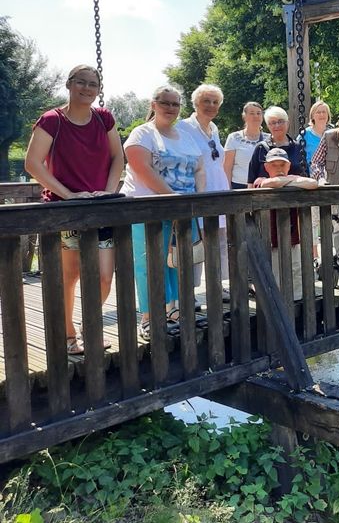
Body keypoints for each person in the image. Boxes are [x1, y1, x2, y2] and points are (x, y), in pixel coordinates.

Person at [24, 64, 125, 355]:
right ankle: (68, 335)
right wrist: (68, 196)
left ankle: (89, 326)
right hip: (64, 210)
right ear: (69, 84)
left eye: (93, 84)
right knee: (70, 276)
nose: (87, 88)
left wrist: (108, 192)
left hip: (99, 209)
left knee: (104, 276)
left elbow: (118, 157)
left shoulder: (104, 118)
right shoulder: (52, 120)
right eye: (81, 82)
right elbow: (32, 164)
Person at [120, 85, 205, 339]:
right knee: (149, 262)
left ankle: (174, 310)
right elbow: (141, 167)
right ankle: (149, 317)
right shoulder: (143, 133)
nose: (170, 108)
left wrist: (199, 196)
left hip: (183, 209)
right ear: (153, 104)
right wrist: (172, 197)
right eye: (165, 102)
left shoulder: (185, 136)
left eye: (175, 104)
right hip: (149, 209)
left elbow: (199, 168)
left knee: (177, 261)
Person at [179, 84, 230, 290]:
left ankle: (217, 286)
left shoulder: (214, 129)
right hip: (197, 192)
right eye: (206, 101)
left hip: (219, 191)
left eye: (215, 102)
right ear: (196, 103)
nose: (211, 105)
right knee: (195, 243)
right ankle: (188, 292)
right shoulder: (184, 128)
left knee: (219, 243)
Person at [252, 148, 318, 292]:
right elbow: (268, 184)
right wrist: (292, 181)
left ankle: (297, 303)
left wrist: (285, 181)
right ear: (266, 167)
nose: (279, 168)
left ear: (289, 166)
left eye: (282, 165)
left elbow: (313, 183)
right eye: (274, 165)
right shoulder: (260, 180)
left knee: (296, 275)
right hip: (269, 243)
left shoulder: (293, 178)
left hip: (292, 240)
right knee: (273, 280)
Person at [247, 106, 305, 182]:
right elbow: (251, 181)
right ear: (268, 126)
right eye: (273, 123)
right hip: (266, 189)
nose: (277, 125)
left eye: (280, 121)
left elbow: (305, 176)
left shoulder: (298, 148)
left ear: (287, 123)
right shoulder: (261, 148)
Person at [224, 101, 269, 189]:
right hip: (238, 187)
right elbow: (227, 167)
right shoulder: (234, 138)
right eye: (252, 113)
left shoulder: (269, 139)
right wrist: (227, 189)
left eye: (258, 113)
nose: (256, 116)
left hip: (262, 186)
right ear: (244, 116)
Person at [304, 100, 331, 169]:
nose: (321, 115)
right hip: (310, 173)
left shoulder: (332, 134)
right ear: (312, 116)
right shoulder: (305, 134)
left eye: (324, 112)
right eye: (318, 112)